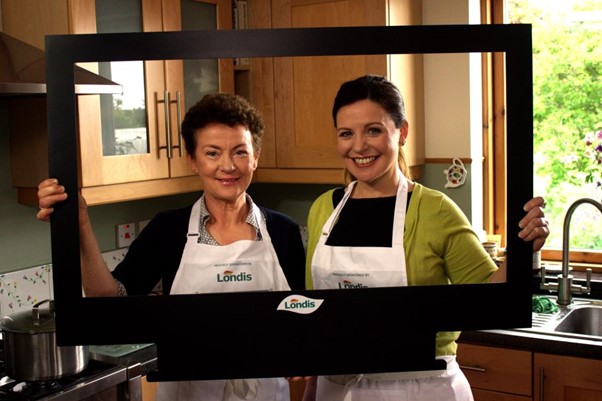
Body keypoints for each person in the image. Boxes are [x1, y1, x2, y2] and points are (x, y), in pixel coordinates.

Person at [37, 93, 306, 401]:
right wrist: (79, 223)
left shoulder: (283, 231)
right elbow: (111, 298)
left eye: (240, 152)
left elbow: (298, 316)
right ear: (193, 160)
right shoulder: (168, 229)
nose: (228, 166)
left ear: (255, 158)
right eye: (213, 153)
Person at [301, 74, 549, 401]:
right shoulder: (323, 209)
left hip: (419, 387)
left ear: (401, 132)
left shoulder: (435, 210)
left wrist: (523, 248)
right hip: (335, 388)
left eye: (373, 130)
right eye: (346, 133)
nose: (358, 146)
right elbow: (313, 313)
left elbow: (489, 298)